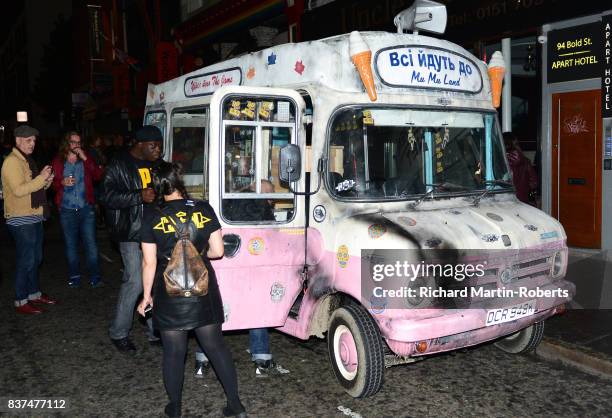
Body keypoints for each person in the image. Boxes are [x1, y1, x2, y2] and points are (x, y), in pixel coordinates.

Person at [137, 162, 247, 418]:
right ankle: (235, 405)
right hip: (203, 291)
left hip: (170, 292)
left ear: (158, 187)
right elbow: (218, 251)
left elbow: (149, 262)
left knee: (174, 353)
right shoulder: (203, 208)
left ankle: (174, 407)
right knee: (216, 347)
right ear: (179, 181)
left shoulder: (152, 215)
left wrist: (146, 296)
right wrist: (199, 255)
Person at [197, 179, 279, 377]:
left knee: (214, 309)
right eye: (272, 195)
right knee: (257, 306)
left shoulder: (229, 202)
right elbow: (273, 233)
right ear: (265, 194)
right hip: (253, 262)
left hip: (224, 262)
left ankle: (202, 360)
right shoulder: (262, 207)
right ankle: (261, 359)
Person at [102, 125, 163, 353]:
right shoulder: (119, 163)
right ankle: (119, 332)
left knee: (154, 280)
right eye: (153, 146)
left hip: (154, 230)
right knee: (135, 281)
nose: (158, 149)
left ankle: (154, 329)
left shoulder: (156, 163)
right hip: (129, 231)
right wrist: (138, 196)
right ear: (140, 145)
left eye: (159, 145)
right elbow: (107, 196)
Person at [1, 124, 57, 314]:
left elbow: (33, 188)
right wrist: (41, 178)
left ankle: (34, 294)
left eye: (34, 140)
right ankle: (20, 299)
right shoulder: (12, 162)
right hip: (20, 217)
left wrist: (46, 180)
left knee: (36, 258)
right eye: (28, 140)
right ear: (18, 141)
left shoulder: (26, 160)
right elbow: (18, 191)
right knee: (27, 259)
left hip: (33, 215)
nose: (32, 144)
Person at [51, 131, 104, 288]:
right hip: (67, 210)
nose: (76, 145)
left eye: (79, 142)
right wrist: (61, 182)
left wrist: (86, 158)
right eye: (73, 142)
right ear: (66, 143)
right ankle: (74, 275)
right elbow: (51, 184)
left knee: (91, 243)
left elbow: (98, 175)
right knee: (71, 244)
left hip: (86, 208)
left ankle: (95, 275)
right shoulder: (58, 161)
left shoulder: (85, 159)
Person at [503, 132, 538, 205]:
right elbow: (534, 183)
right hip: (523, 202)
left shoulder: (501, 162)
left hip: (506, 201)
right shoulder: (526, 161)